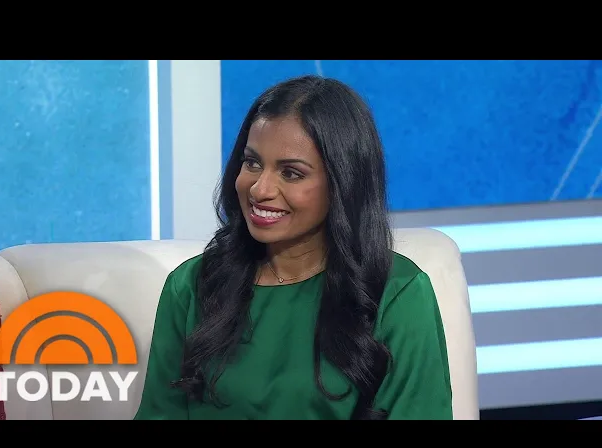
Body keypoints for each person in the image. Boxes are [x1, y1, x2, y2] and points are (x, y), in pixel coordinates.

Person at [134, 75, 453, 420]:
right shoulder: (191, 285)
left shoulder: (398, 292)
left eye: (291, 173)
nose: (260, 189)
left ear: (342, 182)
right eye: (252, 162)